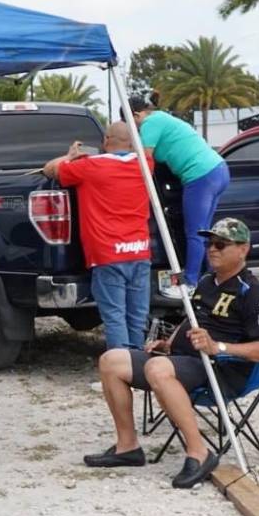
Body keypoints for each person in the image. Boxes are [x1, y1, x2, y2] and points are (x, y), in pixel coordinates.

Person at [84, 218, 259, 489]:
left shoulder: (255, 293)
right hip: (185, 361)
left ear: (243, 249)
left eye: (221, 244)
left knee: (157, 370)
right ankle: (127, 447)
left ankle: (199, 451)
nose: (212, 250)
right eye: (209, 244)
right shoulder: (208, 283)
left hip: (221, 369)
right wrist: (167, 343)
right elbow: (192, 321)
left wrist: (217, 347)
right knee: (111, 360)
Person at [43, 122, 151, 351]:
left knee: (114, 317)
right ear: (132, 142)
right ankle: (139, 370)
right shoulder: (145, 165)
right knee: (137, 318)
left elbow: (50, 169)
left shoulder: (89, 166)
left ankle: (121, 372)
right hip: (140, 251)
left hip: (108, 254)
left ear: (105, 141)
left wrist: (69, 155)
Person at [129, 92, 230, 288]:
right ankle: (210, 279)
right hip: (218, 170)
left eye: (131, 124)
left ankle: (189, 282)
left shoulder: (149, 123)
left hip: (200, 176)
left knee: (194, 232)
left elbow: (145, 160)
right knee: (203, 233)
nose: (134, 130)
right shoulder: (163, 118)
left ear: (135, 115)